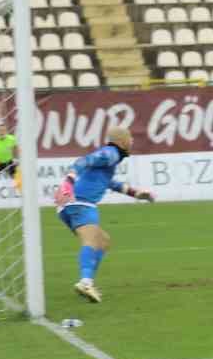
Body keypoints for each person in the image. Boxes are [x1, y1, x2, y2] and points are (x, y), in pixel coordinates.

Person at [54, 126, 156, 303]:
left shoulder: (110, 159)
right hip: (81, 203)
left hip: (69, 205)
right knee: (92, 241)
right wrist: (69, 180)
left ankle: (88, 282)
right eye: (130, 138)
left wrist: (137, 194)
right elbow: (84, 160)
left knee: (103, 241)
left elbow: (110, 183)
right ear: (121, 141)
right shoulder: (111, 153)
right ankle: (85, 282)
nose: (132, 141)